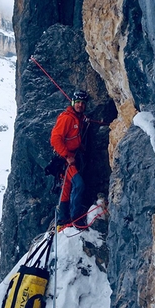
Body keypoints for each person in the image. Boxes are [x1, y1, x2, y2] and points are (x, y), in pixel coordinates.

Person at [50, 90, 89, 228]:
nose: (80, 105)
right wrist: (67, 156)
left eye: (82, 103)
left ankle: (63, 219)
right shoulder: (67, 118)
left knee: (66, 188)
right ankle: (76, 218)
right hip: (65, 159)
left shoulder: (77, 118)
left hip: (70, 157)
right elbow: (55, 139)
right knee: (78, 184)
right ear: (72, 103)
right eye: (77, 102)